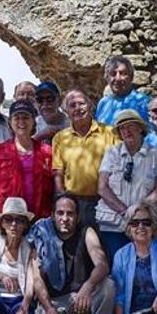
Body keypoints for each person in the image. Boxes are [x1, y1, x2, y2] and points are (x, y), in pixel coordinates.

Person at [29, 194, 114, 314]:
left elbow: (102, 264)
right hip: (56, 303)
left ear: (78, 216)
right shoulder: (41, 235)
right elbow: (37, 279)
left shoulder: (87, 232)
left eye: (70, 213)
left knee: (108, 286)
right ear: (53, 215)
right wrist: (48, 308)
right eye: (60, 213)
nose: (65, 218)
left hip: (83, 299)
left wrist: (87, 288)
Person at [95, 109, 157, 262]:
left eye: (130, 125)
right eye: (122, 127)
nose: (126, 130)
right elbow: (102, 187)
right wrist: (125, 212)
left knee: (145, 266)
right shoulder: (112, 153)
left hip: (144, 225)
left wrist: (138, 209)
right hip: (114, 225)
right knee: (119, 268)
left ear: (141, 128)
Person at [0, 100, 53, 234]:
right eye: (17, 117)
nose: (21, 122)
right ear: (10, 122)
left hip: (39, 222)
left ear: (34, 121)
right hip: (7, 223)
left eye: (26, 117)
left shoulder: (47, 152)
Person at [52, 89, 118, 226]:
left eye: (81, 103)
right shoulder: (60, 138)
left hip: (105, 200)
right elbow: (58, 173)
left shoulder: (110, 133)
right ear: (66, 111)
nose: (77, 108)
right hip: (74, 202)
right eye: (72, 105)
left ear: (90, 105)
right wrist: (64, 200)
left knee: (102, 244)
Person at [94, 56, 150, 126]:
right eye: (113, 74)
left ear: (131, 77)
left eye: (123, 73)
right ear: (107, 78)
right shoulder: (103, 103)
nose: (118, 79)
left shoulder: (143, 102)